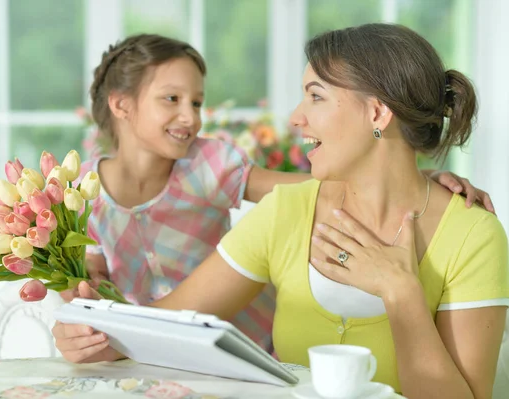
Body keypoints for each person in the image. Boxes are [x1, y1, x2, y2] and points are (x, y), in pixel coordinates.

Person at [57, 30, 502, 381]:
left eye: (316, 95)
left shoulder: (472, 234)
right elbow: (171, 319)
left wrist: (401, 291)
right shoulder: (286, 212)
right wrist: (93, 337)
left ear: (377, 114)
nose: (295, 117)